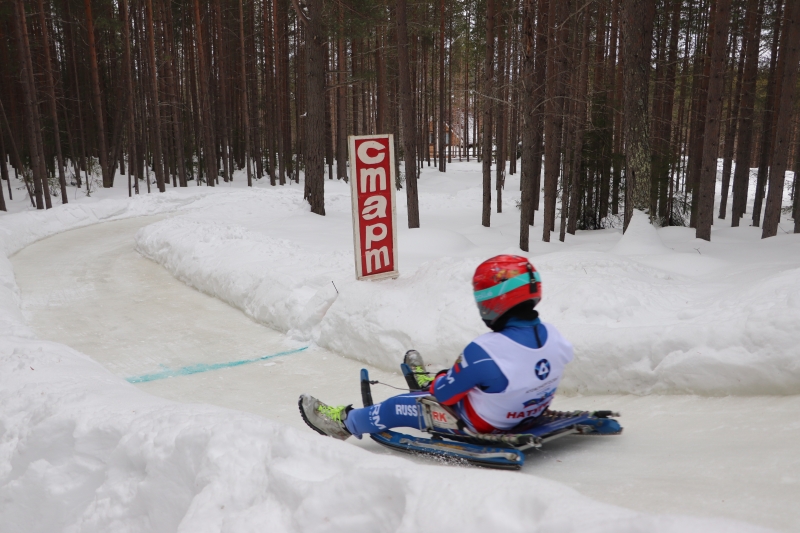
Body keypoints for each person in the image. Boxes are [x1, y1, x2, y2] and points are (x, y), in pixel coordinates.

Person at [298, 255, 574, 440]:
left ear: (494, 300)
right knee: (470, 376)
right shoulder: (555, 336)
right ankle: (427, 381)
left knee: (397, 406)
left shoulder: (485, 350)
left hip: (482, 422)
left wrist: (441, 382)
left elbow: (445, 394)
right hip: (527, 411)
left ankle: (345, 423)